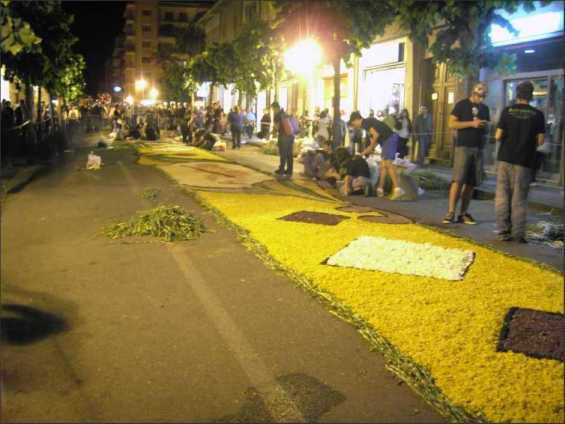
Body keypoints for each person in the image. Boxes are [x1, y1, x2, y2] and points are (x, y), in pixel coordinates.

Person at [494, 81, 545, 243]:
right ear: (530, 95)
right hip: (524, 160)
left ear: (517, 94)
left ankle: (503, 231)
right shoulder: (538, 114)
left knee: (502, 196)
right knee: (520, 198)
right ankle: (519, 234)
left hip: (505, 158)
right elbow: (541, 140)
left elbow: (497, 136)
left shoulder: (507, 111)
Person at [443, 82, 490, 224]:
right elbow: (452, 124)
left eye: (484, 96)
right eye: (479, 95)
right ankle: (450, 212)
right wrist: (471, 123)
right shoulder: (461, 105)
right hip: (463, 147)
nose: (481, 99)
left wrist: (486, 126)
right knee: (458, 180)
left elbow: (486, 126)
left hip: (478, 147)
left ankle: (463, 213)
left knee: (471, 182)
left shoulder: (485, 108)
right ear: (473, 93)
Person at [349, 111, 405, 200]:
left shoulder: (365, 123)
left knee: (388, 164)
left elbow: (376, 135)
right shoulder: (368, 123)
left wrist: (369, 148)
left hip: (389, 139)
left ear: (357, 119)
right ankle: (380, 189)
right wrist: (363, 153)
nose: (354, 126)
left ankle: (397, 189)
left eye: (353, 123)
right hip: (387, 140)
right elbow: (373, 143)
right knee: (382, 166)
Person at [271, 102, 294, 178]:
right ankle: (289, 171)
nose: (273, 110)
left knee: (283, 154)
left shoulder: (277, 115)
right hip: (290, 136)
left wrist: (273, 132)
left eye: (273, 109)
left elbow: (277, 127)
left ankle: (281, 170)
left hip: (283, 136)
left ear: (275, 108)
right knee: (289, 154)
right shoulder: (285, 113)